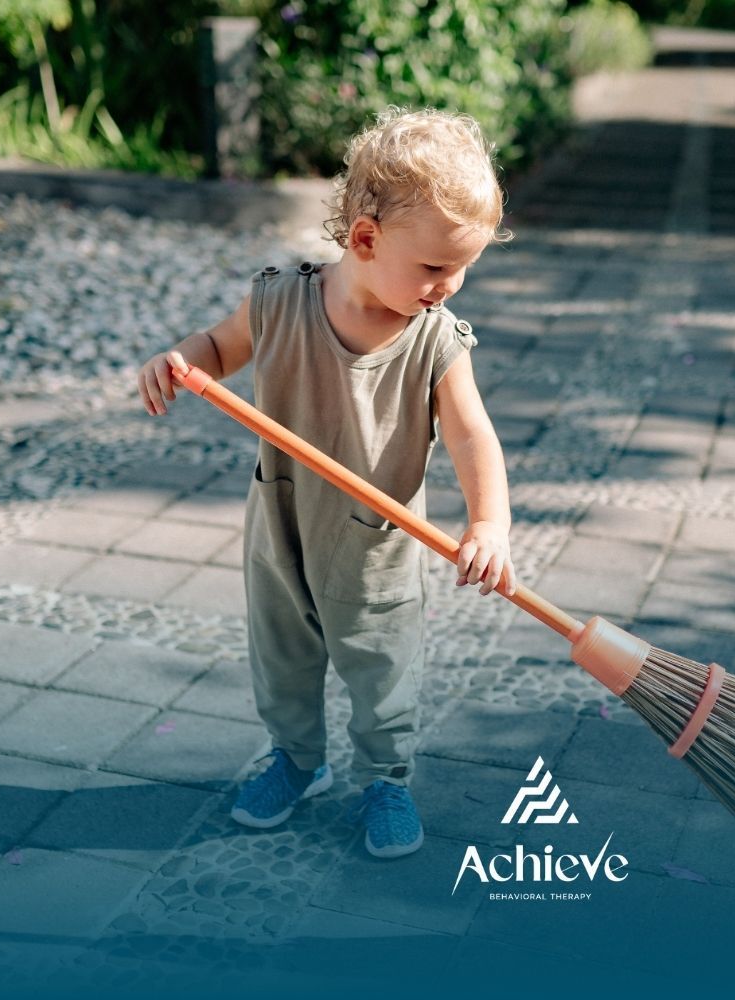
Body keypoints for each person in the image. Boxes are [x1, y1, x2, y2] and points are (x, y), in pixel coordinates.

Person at [137, 107, 516, 859]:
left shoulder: (434, 339)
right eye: (436, 267)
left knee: (381, 671)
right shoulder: (278, 301)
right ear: (367, 240)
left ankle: (385, 779)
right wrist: (179, 364)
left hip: (374, 547)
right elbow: (217, 346)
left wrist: (489, 524)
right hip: (280, 530)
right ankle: (295, 759)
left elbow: (473, 433)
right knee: (281, 658)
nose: (451, 285)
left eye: (462, 266)